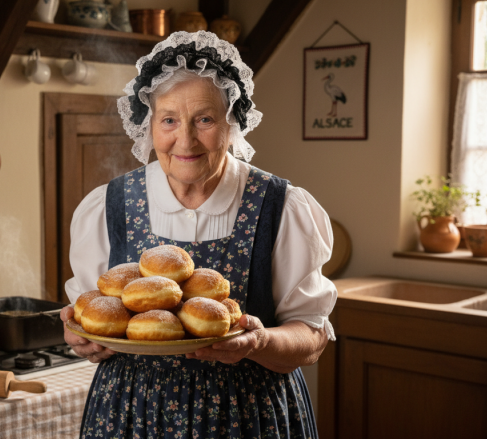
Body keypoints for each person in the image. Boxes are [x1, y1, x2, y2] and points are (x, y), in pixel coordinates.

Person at [60, 31, 336, 438]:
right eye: (169, 120)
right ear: (149, 125)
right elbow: (90, 319)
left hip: (248, 417)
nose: (185, 139)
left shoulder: (282, 207)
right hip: (131, 417)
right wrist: (81, 339)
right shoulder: (106, 206)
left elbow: (311, 338)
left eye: (204, 119)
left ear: (232, 123)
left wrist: (258, 343)